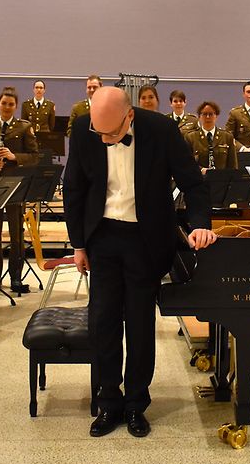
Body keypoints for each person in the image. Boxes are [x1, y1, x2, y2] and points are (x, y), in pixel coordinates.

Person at [64, 86, 216, 439]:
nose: (104, 139)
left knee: (139, 323)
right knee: (102, 321)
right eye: (99, 132)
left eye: (111, 133)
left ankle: (135, 403)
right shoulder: (85, 129)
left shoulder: (161, 129)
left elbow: (193, 183)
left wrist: (200, 225)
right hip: (102, 236)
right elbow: (74, 188)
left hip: (145, 239)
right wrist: (79, 244)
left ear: (129, 115)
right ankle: (108, 401)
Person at [0, 87, 41, 294]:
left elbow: (34, 156)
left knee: (16, 234)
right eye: (4, 103)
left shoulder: (24, 127)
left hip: (15, 185)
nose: (7, 107)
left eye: (11, 104)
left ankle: (16, 277)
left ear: (16, 107)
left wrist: (14, 157)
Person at [185, 101, 238, 171]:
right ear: (199, 117)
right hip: (199, 177)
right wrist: (201, 170)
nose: (207, 117)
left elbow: (233, 166)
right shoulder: (191, 137)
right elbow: (187, 163)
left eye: (211, 114)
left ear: (216, 116)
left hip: (221, 177)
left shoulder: (227, 137)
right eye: (204, 114)